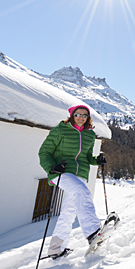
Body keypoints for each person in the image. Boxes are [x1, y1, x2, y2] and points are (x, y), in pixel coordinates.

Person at [38, 104, 108, 258]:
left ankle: (56, 249)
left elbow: (87, 157)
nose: (81, 118)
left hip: (81, 173)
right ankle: (92, 232)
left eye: (84, 115)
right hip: (61, 171)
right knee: (82, 191)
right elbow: (44, 152)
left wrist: (97, 160)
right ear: (71, 115)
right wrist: (52, 167)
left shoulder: (90, 135)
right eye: (78, 114)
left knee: (69, 211)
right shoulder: (60, 130)